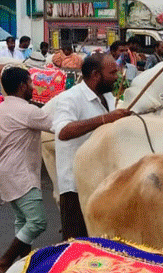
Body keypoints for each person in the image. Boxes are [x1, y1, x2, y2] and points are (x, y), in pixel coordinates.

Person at [0, 67, 53, 273]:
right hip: (22, 175)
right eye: (31, 83)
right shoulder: (29, 111)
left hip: (4, 172)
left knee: (22, 220)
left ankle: (24, 268)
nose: (33, 87)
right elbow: (59, 127)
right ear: (22, 86)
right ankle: (5, 260)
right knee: (38, 221)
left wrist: (5, 151)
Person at [52, 53, 130, 239]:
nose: (117, 76)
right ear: (96, 75)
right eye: (112, 72)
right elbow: (63, 131)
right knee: (76, 245)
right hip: (76, 187)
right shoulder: (70, 98)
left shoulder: (109, 97)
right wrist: (104, 119)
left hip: (103, 183)